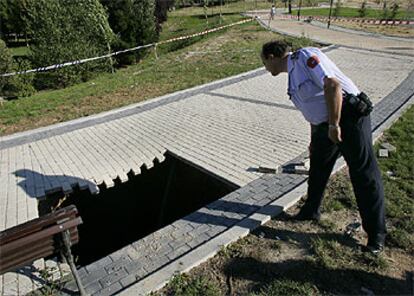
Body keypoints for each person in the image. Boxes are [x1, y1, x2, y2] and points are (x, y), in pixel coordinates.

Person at [260, 40, 386, 255]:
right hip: (325, 126)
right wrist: (316, 136)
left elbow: (333, 85)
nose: (264, 67)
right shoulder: (292, 76)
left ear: (271, 57)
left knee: (363, 174)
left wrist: (334, 125)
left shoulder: (305, 57)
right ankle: (310, 211)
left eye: (264, 62)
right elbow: (313, 104)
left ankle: (376, 236)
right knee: (318, 168)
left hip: (347, 118)